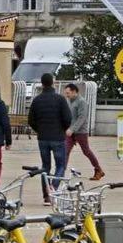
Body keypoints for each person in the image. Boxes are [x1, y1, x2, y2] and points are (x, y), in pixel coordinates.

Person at [28, 73, 72, 205]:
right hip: (58, 137)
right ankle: (53, 187)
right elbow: (67, 118)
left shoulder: (37, 100)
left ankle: (46, 196)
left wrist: (39, 130)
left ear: (42, 84)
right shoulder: (60, 99)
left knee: (45, 167)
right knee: (60, 165)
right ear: (53, 82)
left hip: (43, 138)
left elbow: (31, 120)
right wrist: (63, 129)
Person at [63, 84, 105, 180]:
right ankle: (61, 172)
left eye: (68, 93)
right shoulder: (70, 101)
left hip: (80, 132)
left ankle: (98, 169)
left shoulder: (82, 102)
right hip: (70, 132)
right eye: (66, 93)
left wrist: (72, 129)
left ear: (74, 91)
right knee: (65, 151)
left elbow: (82, 118)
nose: (66, 95)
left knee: (86, 151)